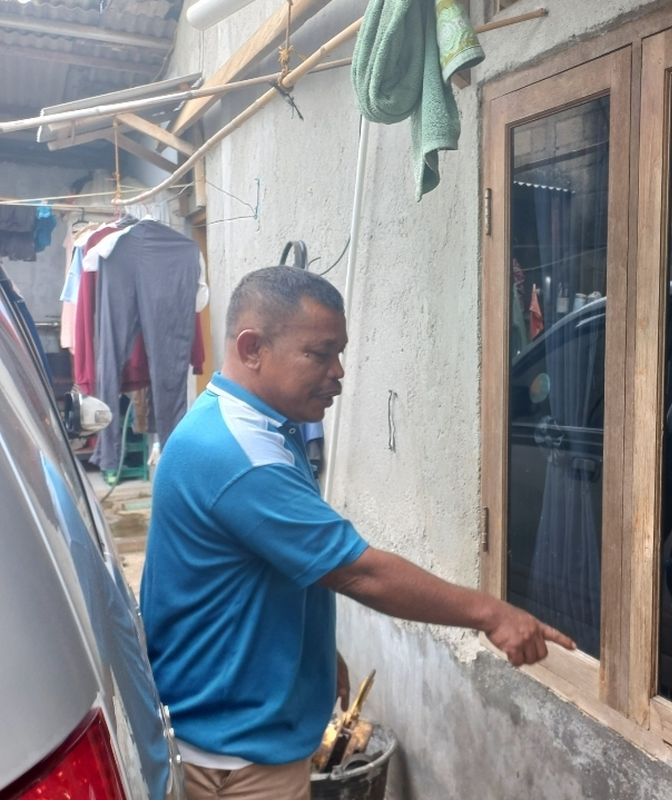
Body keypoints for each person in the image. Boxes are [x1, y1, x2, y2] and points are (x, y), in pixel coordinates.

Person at [140, 266, 574, 800]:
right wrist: (492, 613)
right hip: (234, 756)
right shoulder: (237, 456)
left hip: (230, 730)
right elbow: (360, 572)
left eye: (339, 352)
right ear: (252, 348)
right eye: (319, 354)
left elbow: (266, 566)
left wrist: (316, 656)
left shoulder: (250, 425)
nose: (338, 372)